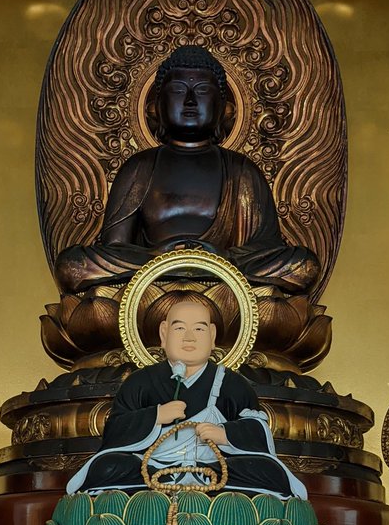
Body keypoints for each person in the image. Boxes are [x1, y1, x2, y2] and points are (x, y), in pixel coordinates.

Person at [54, 45, 319, 296]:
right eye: (178, 90)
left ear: (224, 108)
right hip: (151, 278)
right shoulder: (139, 167)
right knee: (72, 265)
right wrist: (157, 257)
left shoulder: (242, 171)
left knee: (303, 265)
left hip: (225, 279)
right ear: (156, 107)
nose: (190, 101)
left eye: (202, 91)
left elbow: (267, 247)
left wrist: (220, 257)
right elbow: (114, 248)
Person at [66, 295, 306, 498]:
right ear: (163, 333)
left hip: (215, 468)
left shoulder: (232, 383)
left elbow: (257, 430)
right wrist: (155, 416)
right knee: (107, 468)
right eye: (179, 328)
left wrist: (225, 434)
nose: (189, 337)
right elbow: (115, 431)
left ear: (212, 336)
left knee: (267, 471)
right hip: (151, 467)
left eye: (199, 329)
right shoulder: (140, 382)